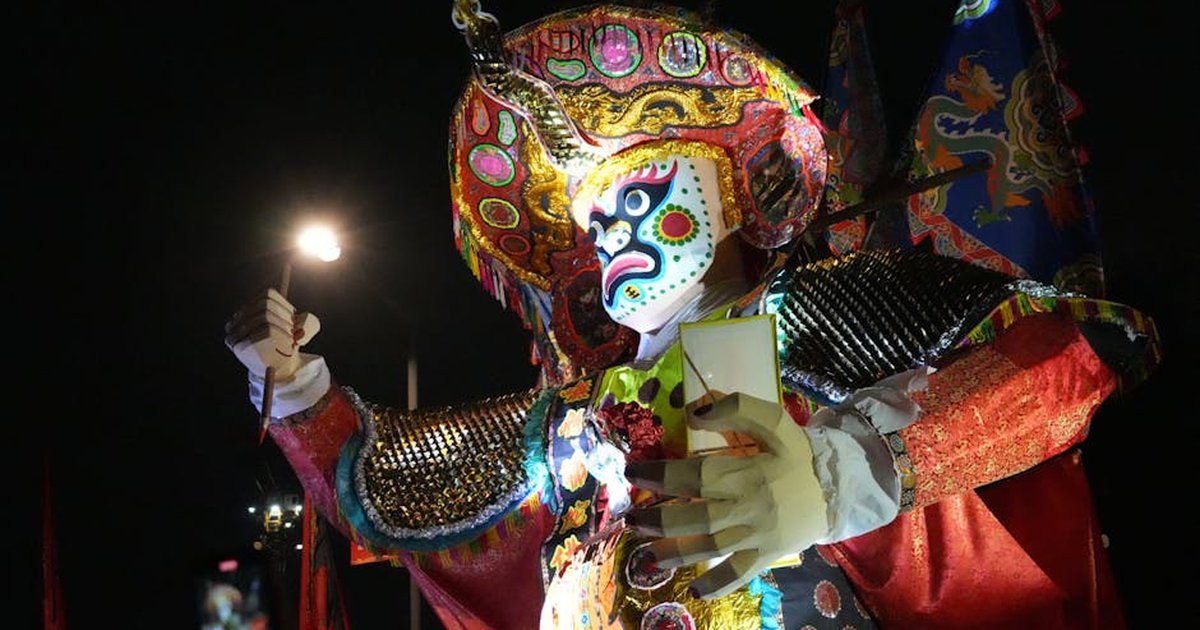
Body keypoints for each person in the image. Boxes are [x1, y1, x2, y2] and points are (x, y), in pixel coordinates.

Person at [224, 2, 1160, 628]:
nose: (612, 234)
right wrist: (299, 386)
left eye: (641, 195)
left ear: (736, 192)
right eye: (595, 219)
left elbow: (1090, 345)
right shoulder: (569, 423)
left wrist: (848, 477)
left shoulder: (825, 311)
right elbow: (393, 492)